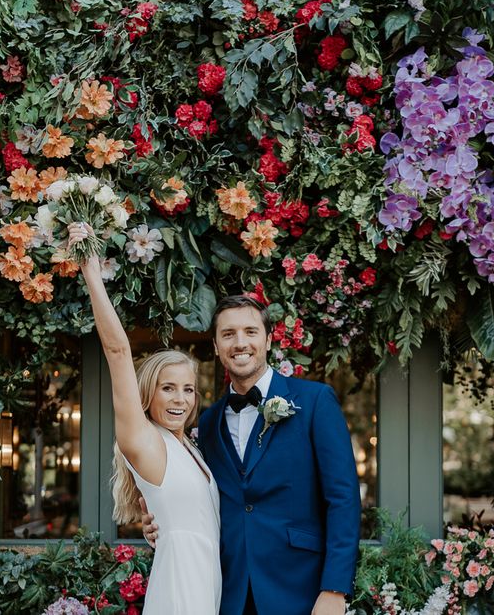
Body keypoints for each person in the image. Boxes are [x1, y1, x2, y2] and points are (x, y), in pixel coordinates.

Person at [143, 294, 361, 615]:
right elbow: (203, 494)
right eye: (228, 334)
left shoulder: (314, 402)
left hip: (301, 590)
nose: (239, 342)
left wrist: (335, 589)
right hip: (228, 591)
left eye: (250, 331)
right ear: (216, 347)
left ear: (268, 339)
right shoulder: (208, 420)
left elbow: (343, 499)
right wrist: (162, 520)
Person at [68, 223, 222, 614]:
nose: (180, 399)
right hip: (180, 593)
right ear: (148, 392)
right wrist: (90, 269)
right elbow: (118, 351)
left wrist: (156, 527)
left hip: (207, 586)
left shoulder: (188, 446)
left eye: (188, 389)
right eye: (168, 388)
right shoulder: (144, 438)